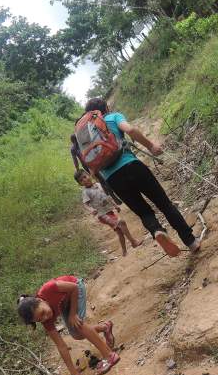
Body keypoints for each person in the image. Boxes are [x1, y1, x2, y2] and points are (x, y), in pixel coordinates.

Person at [79, 97, 201, 257]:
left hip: (113, 179)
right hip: (132, 166)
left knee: (144, 212)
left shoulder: (86, 136)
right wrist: (151, 146)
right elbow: (129, 130)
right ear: (105, 109)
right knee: (164, 204)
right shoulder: (112, 117)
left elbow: (90, 167)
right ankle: (190, 241)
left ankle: (157, 230)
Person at [17, 276, 119, 375]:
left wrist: (72, 314)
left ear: (40, 300)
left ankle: (109, 356)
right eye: (40, 320)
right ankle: (105, 327)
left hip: (75, 289)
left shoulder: (49, 288)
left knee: (77, 324)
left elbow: (74, 287)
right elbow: (61, 346)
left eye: (43, 312)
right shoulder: (47, 322)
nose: (45, 317)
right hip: (65, 302)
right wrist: (74, 374)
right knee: (76, 335)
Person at [76, 169, 143, 257]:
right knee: (121, 222)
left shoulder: (98, 185)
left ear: (89, 175)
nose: (84, 180)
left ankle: (124, 251)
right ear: (80, 184)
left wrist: (115, 205)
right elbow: (85, 204)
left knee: (119, 231)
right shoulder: (86, 192)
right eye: (81, 180)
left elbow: (106, 197)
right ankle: (133, 242)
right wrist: (91, 210)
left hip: (109, 212)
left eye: (85, 177)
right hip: (102, 215)